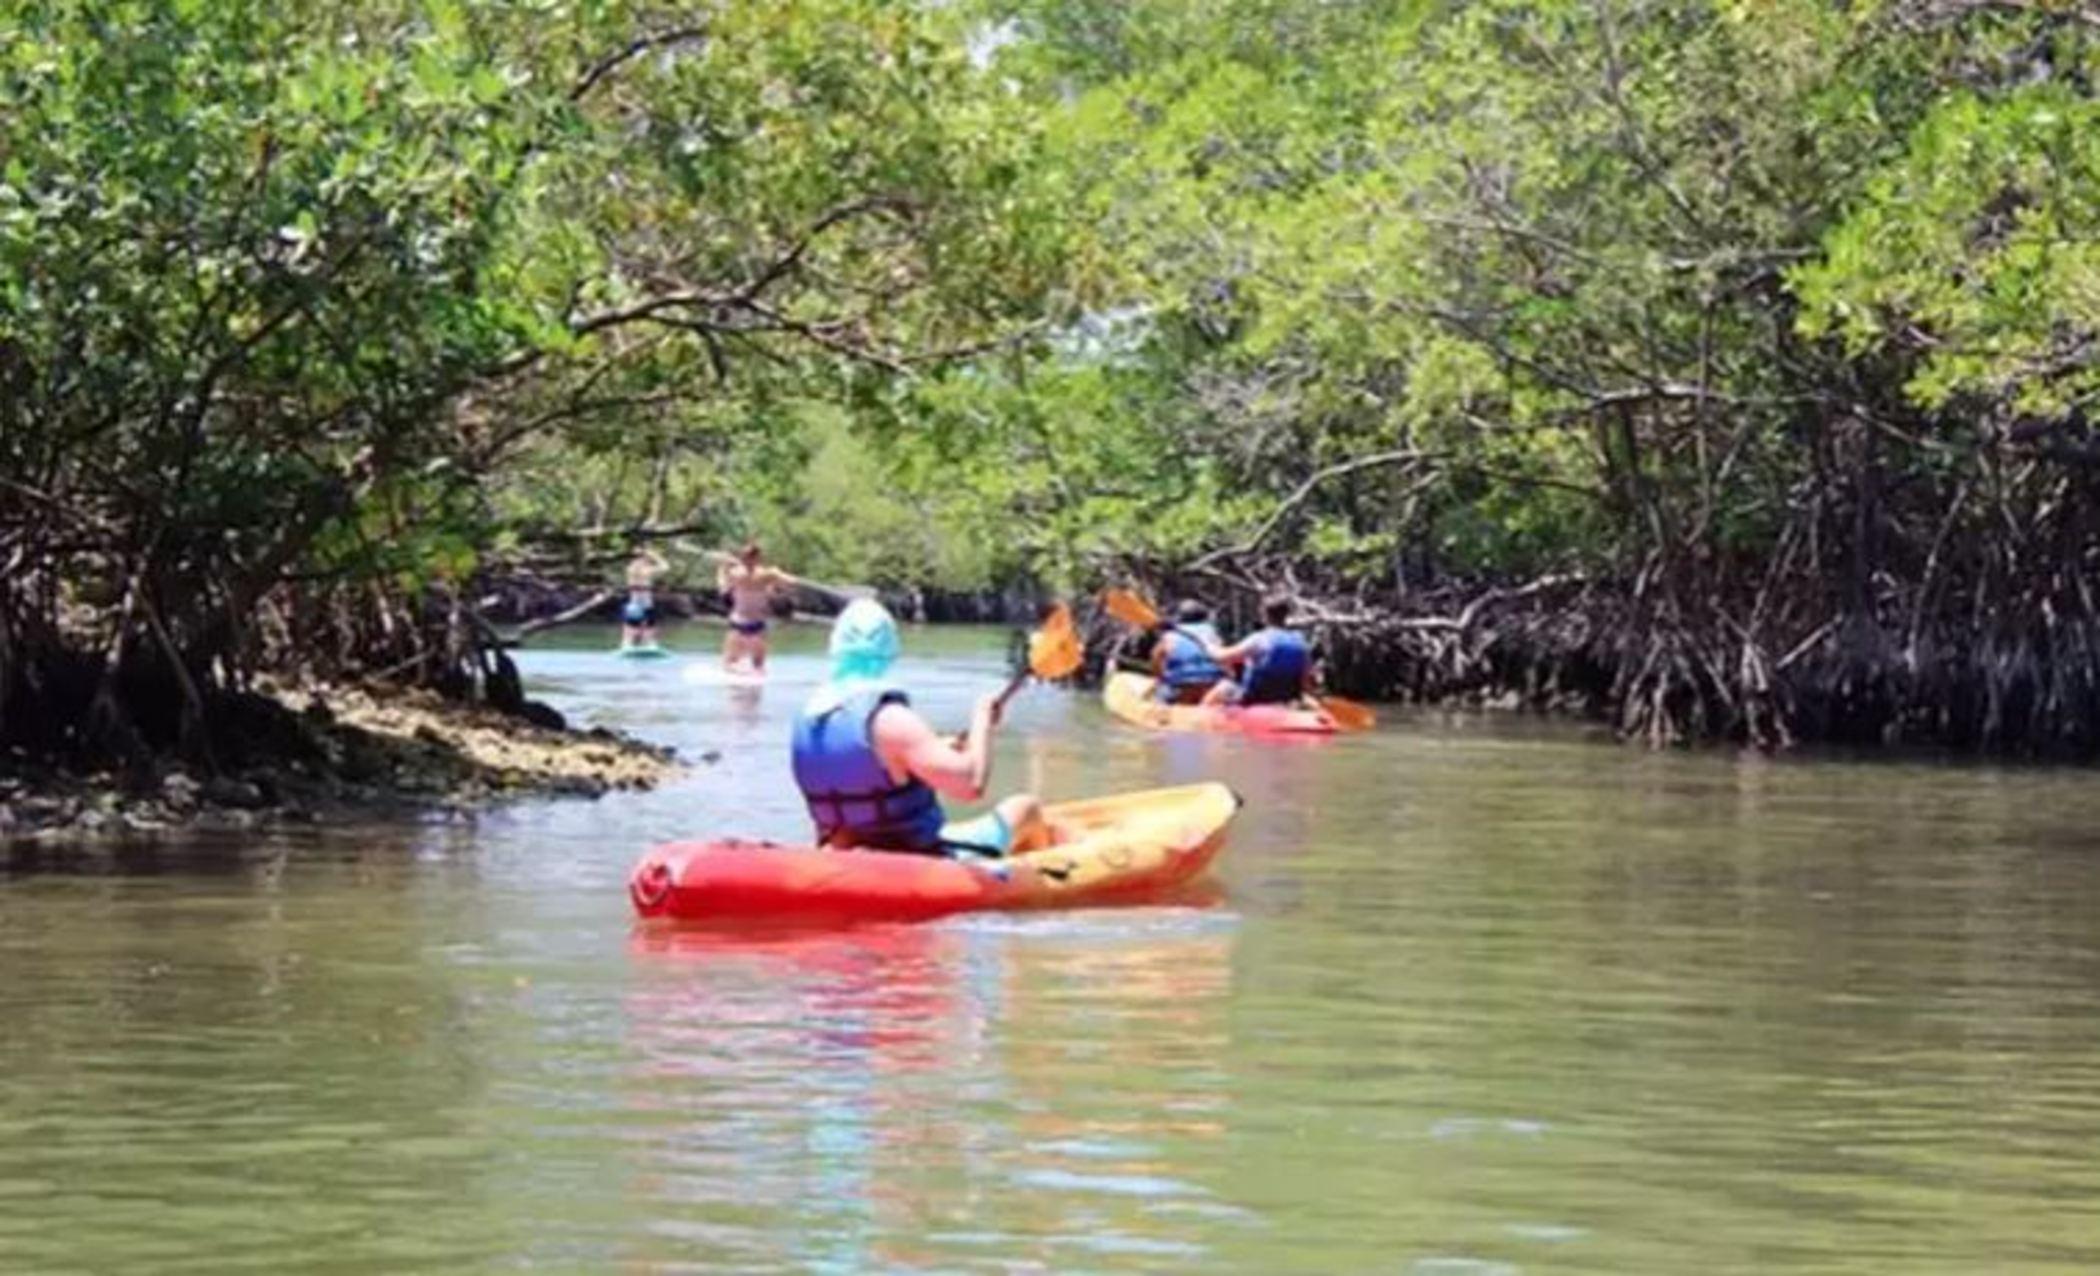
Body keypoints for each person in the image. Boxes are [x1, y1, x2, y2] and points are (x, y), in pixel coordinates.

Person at [791, 599, 1051, 857]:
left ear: (836, 646)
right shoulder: (891, 718)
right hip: (914, 856)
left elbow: (866, 767)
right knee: (1026, 808)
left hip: (841, 850)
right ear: (890, 648)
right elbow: (970, 785)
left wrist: (937, 750)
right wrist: (982, 720)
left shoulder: (807, 717)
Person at [1202, 594, 1314, 707]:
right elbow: (1305, 678)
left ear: (1264, 615)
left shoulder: (1259, 639)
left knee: (1224, 686)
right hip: (1288, 699)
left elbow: (1221, 657)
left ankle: (1199, 721)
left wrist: (1208, 645)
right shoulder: (1301, 642)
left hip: (1254, 698)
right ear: (1286, 615)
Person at [715, 541, 796, 673]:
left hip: (742, 622)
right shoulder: (767, 574)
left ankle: (743, 683)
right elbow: (791, 583)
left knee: (731, 663)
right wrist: (779, 574)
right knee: (755, 665)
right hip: (751, 622)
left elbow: (722, 588)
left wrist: (722, 568)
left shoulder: (736, 573)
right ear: (758, 558)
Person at [1150, 598, 1226, 704]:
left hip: (1182, 686)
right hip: (1212, 684)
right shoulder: (1212, 633)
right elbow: (1223, 658)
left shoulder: (1170, 634)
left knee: (1159, 694)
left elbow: (1156, 656)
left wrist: (1160, 679)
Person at [620, 548, 668, 649]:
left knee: (650, 626)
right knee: (632, 627)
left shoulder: (646, 568)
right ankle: (627, 645)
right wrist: (651, 555)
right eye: (643, 558)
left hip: (647, 603)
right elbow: (663, 567)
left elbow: (666, 567)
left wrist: (654, 555)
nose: (646, 560)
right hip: (635, 603)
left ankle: (650, 644)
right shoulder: (633, 568)